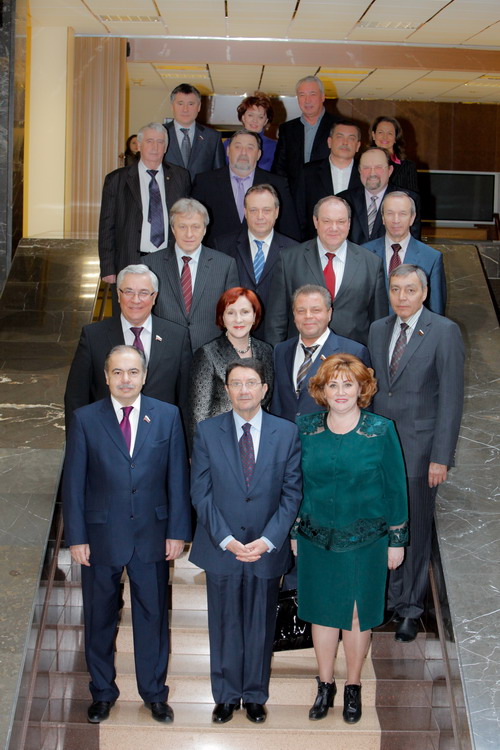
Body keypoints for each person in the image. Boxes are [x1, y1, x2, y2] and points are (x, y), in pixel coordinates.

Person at [62, 345, 191, 725]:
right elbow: (74, 483)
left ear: (144, 376)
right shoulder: (86, 419)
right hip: (99, 538)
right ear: (106, 377)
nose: (125, 379)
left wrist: (177, 531)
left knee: (153, 618)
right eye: (117, 372)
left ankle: (154, 694)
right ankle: (102, 692)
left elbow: (177, 478)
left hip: (153, 535)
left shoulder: (167, 415)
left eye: (133, 372)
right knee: (99, 618)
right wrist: (76, 537)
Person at [293, 353, 408, 724]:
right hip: (315, 538)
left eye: (348, 384)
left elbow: (395, 487)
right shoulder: (305, 428)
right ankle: (325, 685)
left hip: (366, 541)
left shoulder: (381, 429)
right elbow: (295, 484)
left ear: (362, 388)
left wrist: (397, 540)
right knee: (322, 613)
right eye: (333, 384)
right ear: (322, 390)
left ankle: (353, 686)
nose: (340, 391)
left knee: (358, 615)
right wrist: (295, 530)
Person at [189, 359, 302, 725]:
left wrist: (269, 540)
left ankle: (254, 695)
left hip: (266, 548)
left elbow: (292, 494)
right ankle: (225, 696)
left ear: (264, 389)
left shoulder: (286, 432)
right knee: (223, 624)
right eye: (236, 383)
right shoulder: (208, 431)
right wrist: (225, 538)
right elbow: (200, 492)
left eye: (251, 383)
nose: (243, 390)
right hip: (222, 547)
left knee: (260, 624)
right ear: (226, 390)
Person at [368, 265, 464, 642]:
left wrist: (441, 456)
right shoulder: (378, 329)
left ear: (424, 293)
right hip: (380, 449)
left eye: (410, 290)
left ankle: (410, 608)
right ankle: (390, 600)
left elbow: (451, 399)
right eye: (395, 289)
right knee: (385, 526)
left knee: (416, 529)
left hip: (421, 451)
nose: (402, 297)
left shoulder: (444, 331)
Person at [64, 264, 191, 431]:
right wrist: (77, 441)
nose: (136, 300)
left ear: (154, 297)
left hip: (161, 437)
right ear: (118, 295)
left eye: (144, 293)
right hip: (106, 436)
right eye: (129, 292)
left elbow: (186, 399)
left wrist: (185, 444)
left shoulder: (177, 336)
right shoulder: (93, 336)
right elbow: (76, 396)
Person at [265, 196, 388, 346]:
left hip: (351, 356)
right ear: (315, 221)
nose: (334, 228)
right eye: (327, 221)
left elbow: (379, 324)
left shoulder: (371, 263)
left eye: (341, 221)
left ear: (349, 223)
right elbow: (276, 320)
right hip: (303, 354)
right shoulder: (289, 260)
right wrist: (276, 357)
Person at [98, 122, 191, 287]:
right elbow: (107, 226)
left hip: (169, 262)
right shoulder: (116, 179)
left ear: (166, 147)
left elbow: (186, 220)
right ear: (139, 145)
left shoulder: (180, 176)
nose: (155, 147)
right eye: (149, 141)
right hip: (129, 262)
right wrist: (107, 267)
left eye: (160, 142)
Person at [144, 198, 239, 353]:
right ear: (173, 229)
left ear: (205, 229)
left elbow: (233, 313)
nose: (189, 234)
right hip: (163, 351)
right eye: (182, 227)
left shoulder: (225, 265)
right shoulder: (150, 264)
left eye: (196, 227)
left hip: (211, 353)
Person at [271, 285, 370, 423]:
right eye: (301, 311)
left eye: (316, 310)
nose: (308, 316)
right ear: (294, 315)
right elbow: (277, 402)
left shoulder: (354, 352)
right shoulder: (281, 350)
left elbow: (364, 404)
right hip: (286, 434)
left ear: (329, 313)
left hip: (331, 434)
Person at [188, 287, 273, 440]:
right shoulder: (207, 353)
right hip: (220, 440)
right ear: (222, 317)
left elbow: (268, 402)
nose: (238, 319)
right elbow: (199, 416)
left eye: (245, 312)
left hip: (259, 439)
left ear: (254, 316)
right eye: (231, 313)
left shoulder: (266, 350)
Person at [213, 184, 296, 338]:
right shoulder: (223, 246)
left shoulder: (294, 250)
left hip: (277, 339)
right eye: (253, 210)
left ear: (276, 212)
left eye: (266, 210)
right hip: (234, 337)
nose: (260, 216)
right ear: (245, 212)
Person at [192, 129, 300, 244]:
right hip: (216, 253)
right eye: (238, 147)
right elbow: (193, 224)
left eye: (250, 148)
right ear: (228, 151)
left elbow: (290, 230)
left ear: (259, 154)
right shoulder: (205, 182)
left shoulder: (277, 184)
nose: (243, 153)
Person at [364, 192, 446, 314]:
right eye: (390, 213)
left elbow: (436, 312)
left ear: (412, 218)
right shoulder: (364, 253)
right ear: (383, 218)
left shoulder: (431, 258)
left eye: (402, 214)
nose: (396, 220)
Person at [338, 146, 420, 245]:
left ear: (390, 170)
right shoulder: (343, 200)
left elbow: (412, 243)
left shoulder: (408, 200)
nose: (372, 173)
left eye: (379, 167)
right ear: (359, 171)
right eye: (366, 167)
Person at [295, 120, 362, 240]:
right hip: (314, 243)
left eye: (351, 138)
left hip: (356, 245)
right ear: (329, 142)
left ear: (358, 146)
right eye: (340, 137)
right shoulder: (308, 172)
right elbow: (299, 213)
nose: (345, 142)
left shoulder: (365, 174)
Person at [272, 75, 337, 192]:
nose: (307, 100)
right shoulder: (287, 129)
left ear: (323, 96)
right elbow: (279, 168)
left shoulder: (338, 126)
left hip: (329, 195)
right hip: (294, 197)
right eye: (302, 95)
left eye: (312, 94)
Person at [164, 83, 225, 180]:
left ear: (199, 107)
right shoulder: (160, 134)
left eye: (191, 104)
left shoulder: (212, 137)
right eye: (180, 104)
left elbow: (219, 175)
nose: (185, 109)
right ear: (172, 106)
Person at [224, 92, 277, 170]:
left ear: (265, 121)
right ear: (243, 118)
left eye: (260, 117)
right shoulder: (228, 144)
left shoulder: (274, 147)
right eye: (250, 115)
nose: (255, 120)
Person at [371, 115, 419, 193]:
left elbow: (413, 197)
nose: (385, 137)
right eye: (380, 132)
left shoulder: (408, 167)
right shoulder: (362, 164)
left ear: (396, 137)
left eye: (390, 133)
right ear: (373, 135)